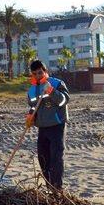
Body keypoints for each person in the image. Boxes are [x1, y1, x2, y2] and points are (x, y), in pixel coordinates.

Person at [26, 60, 70, 190]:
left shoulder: (57, 83)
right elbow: (34, 107)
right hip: (42, 127)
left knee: (56, 157)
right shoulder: (32, 89)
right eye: (35, 74)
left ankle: (57, 188)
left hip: (57, 125)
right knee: (43, 158)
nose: (38, 75)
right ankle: (49, 186)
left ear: (45, 71)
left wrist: (51, 91)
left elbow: (64, 100)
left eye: (40, 72)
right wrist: (30, 117)